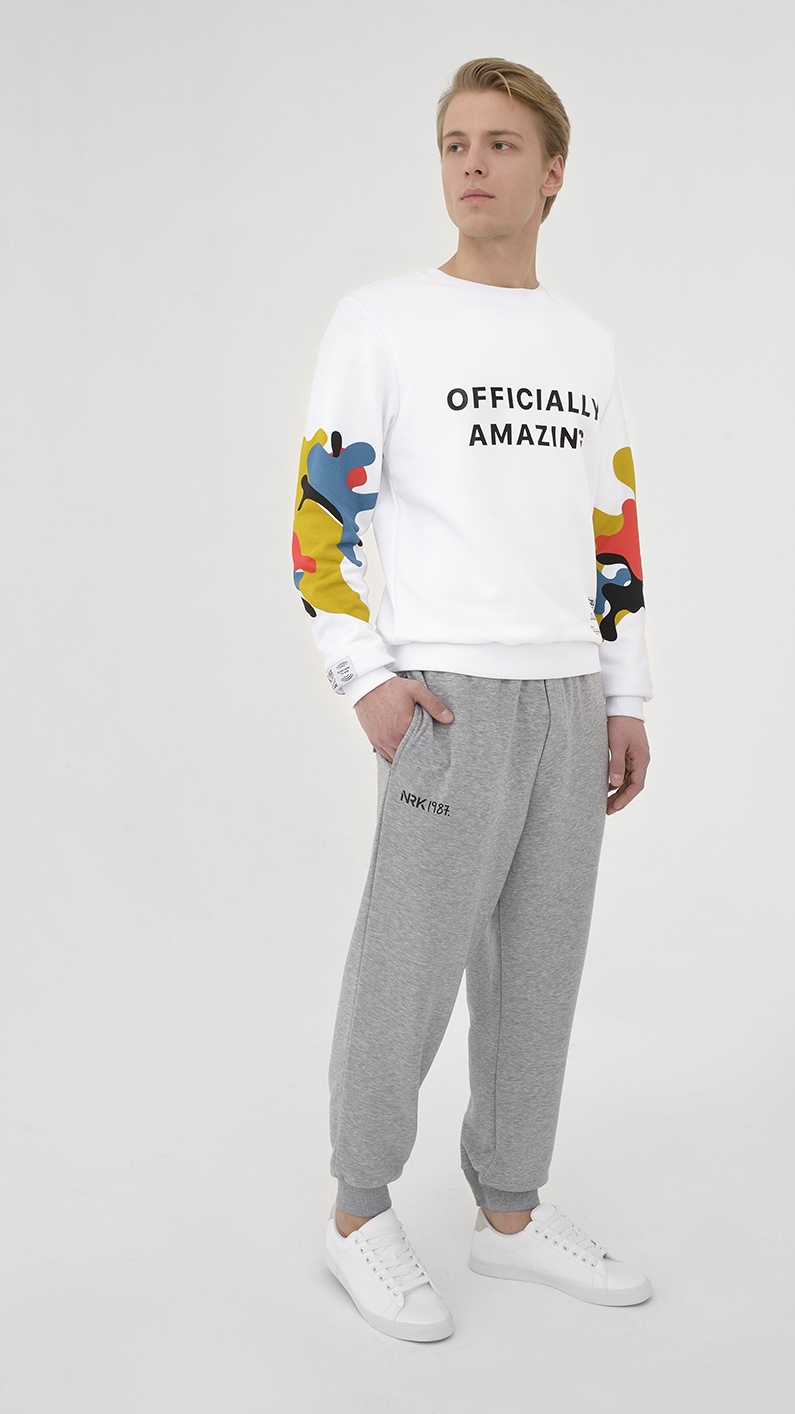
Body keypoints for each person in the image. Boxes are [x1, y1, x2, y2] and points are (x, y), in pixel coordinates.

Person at [292, 57, 653, 1342]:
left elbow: (610, 523)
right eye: (455, 143)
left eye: (501, 144)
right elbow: (323, 513)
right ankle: (357, 1213)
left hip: (567, 692)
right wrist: (367, 677)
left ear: (552, 173)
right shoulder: (382, 321)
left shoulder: (583, 343)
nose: (472, 165)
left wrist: (623, 689)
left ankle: (509, 1209)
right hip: (445, 696)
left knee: (539, 967)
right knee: (407, 966)